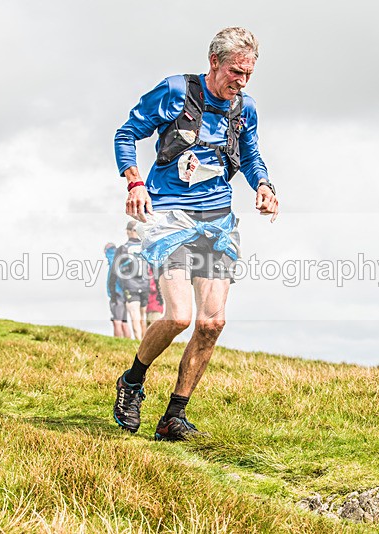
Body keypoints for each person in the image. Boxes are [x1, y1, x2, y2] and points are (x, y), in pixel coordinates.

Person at [112, 27, 279, 441]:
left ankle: (173, 416)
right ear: (213, 63)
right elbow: (127, 133)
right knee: (179, 316)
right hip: (171, 216)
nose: (240, 82)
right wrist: (134, 182)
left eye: (248, 75)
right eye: (235, 72)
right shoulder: (174, 91)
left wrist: (263, 185)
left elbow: (252, 153)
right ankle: (132, 382)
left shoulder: (245, 108)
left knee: (212, 322)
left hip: (217, 220)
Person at [107, 221, 151, 340]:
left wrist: (112, 291)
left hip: (130, 286)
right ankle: (145, 343)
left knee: (135, 317)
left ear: (128, 231)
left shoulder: (123, 249)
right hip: (145, 285)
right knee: (143, 317)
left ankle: (139, 345)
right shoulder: (145, 246)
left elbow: (114, 271)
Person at [104, 242, 131, 338]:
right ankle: (128, 342)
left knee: (117, 321)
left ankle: (117, 340)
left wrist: (113, 293)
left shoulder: (112, 259)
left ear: (106, 250)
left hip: (116, 293)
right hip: (124, 294)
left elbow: (113, 278)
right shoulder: (121, 258)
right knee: (124, 321)